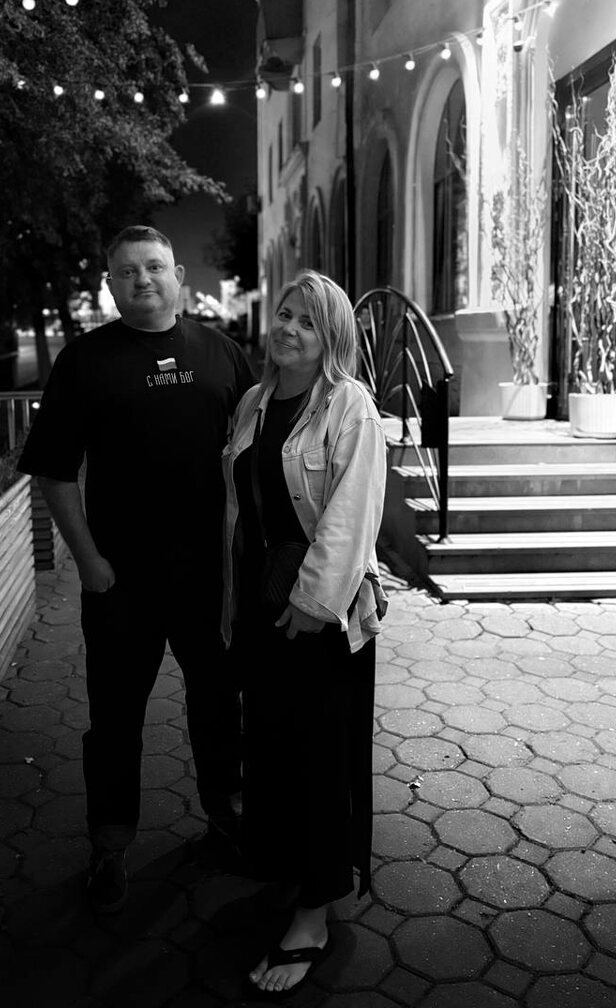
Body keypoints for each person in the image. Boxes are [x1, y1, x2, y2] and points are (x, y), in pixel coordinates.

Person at [17, 225, 255, 913]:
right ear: (111, 284)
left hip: (211, 579)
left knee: (220, 705)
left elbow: (257, 456)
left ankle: (228, 819)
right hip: (121, 584)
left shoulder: (221, 354)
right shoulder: (85, 361)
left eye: (154, 266)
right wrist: (89, 562)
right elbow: (54, 473)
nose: (142, 279)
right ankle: (110, 844)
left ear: (179, 276)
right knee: (115, 719)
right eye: (126, 271)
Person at [221, 270, 388, 998]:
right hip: (262, 606)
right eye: (285, 314)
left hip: (320, 616)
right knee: (271, 748)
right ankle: (289, 870)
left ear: (332, 338)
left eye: (308, 322)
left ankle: (315, 915)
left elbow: (353, 515)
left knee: (321, 760)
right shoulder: (254, 402)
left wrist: (315, 602)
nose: (289, 329)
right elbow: (239, 511)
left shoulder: (351, 406)